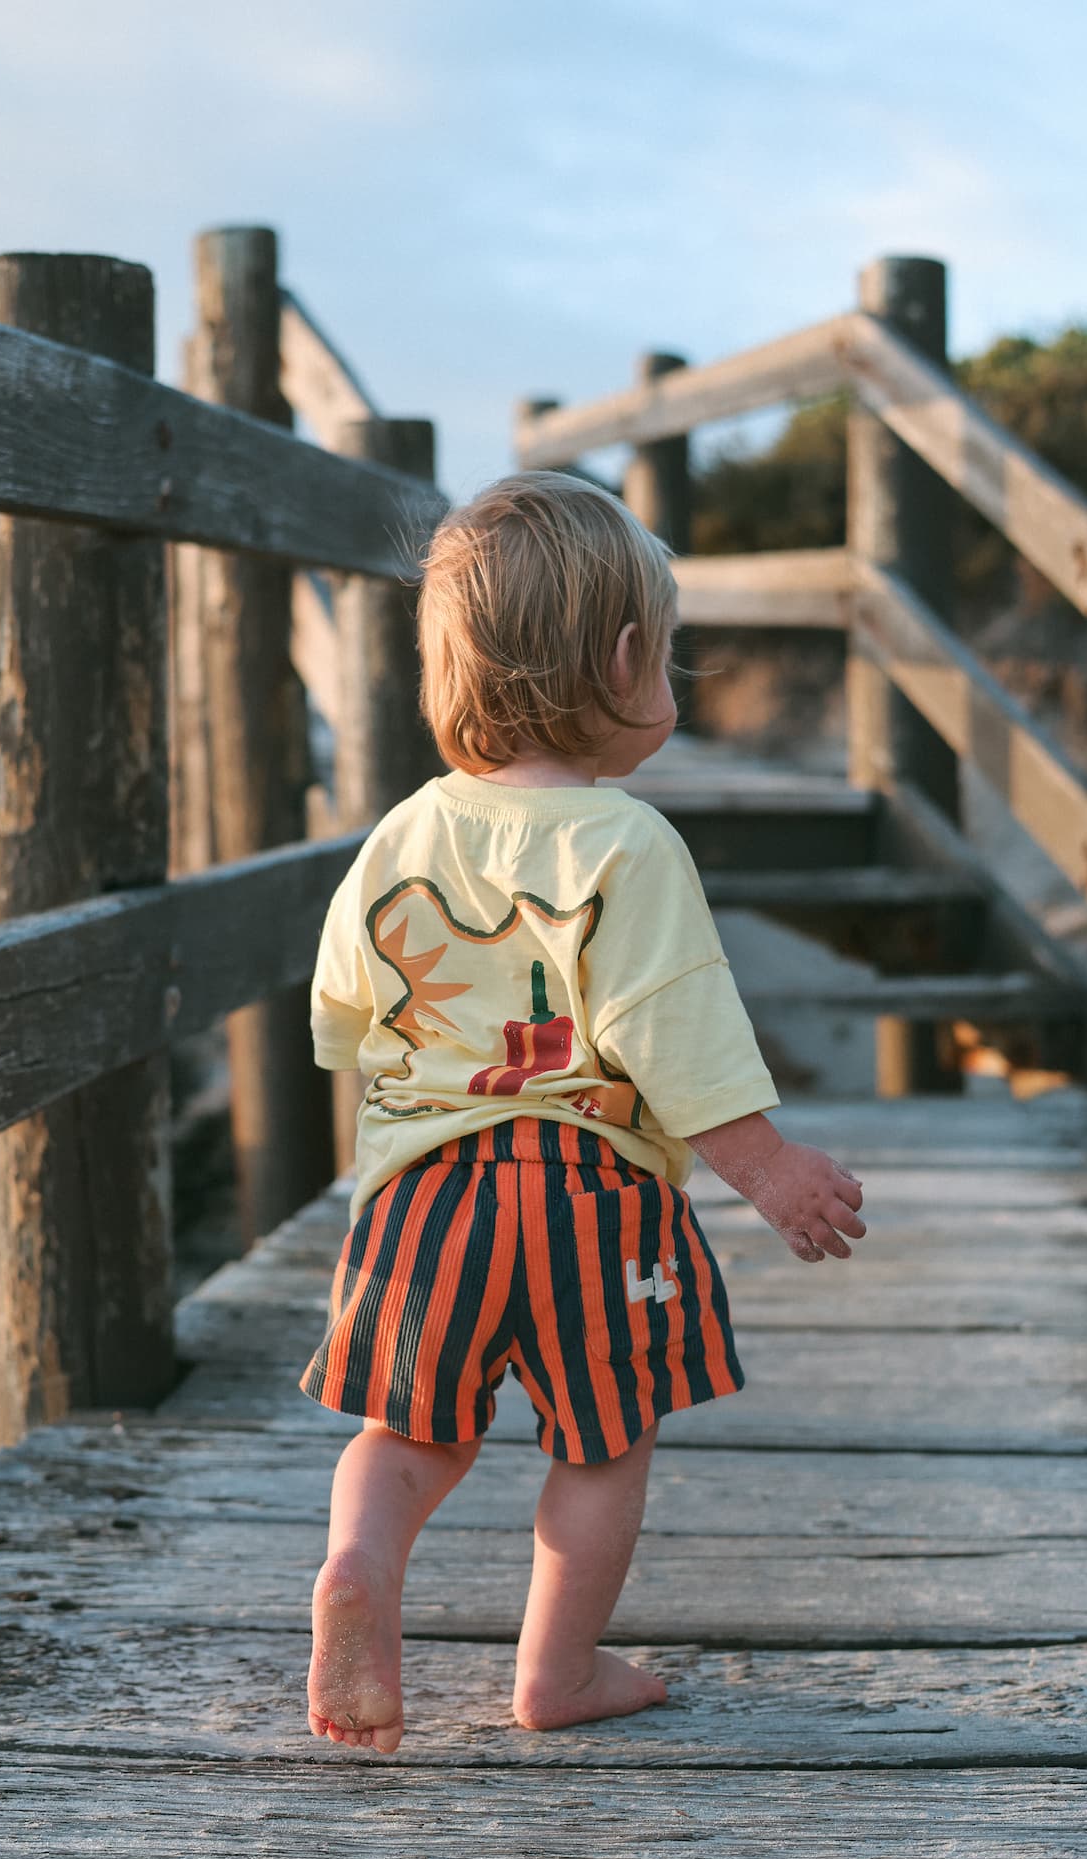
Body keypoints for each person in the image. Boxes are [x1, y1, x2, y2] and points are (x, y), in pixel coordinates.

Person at [300, 470, 866, 1755]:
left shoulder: (398, 836)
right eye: (668, 651)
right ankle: (555, 1671)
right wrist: (767, 1168)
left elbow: (342, 1020)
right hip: (590, 1201)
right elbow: (680, 1032)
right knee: (603, 1442)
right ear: (625, 661)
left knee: (408, 1431)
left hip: (420, 1198)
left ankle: (359, 1559)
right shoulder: (626, 842)